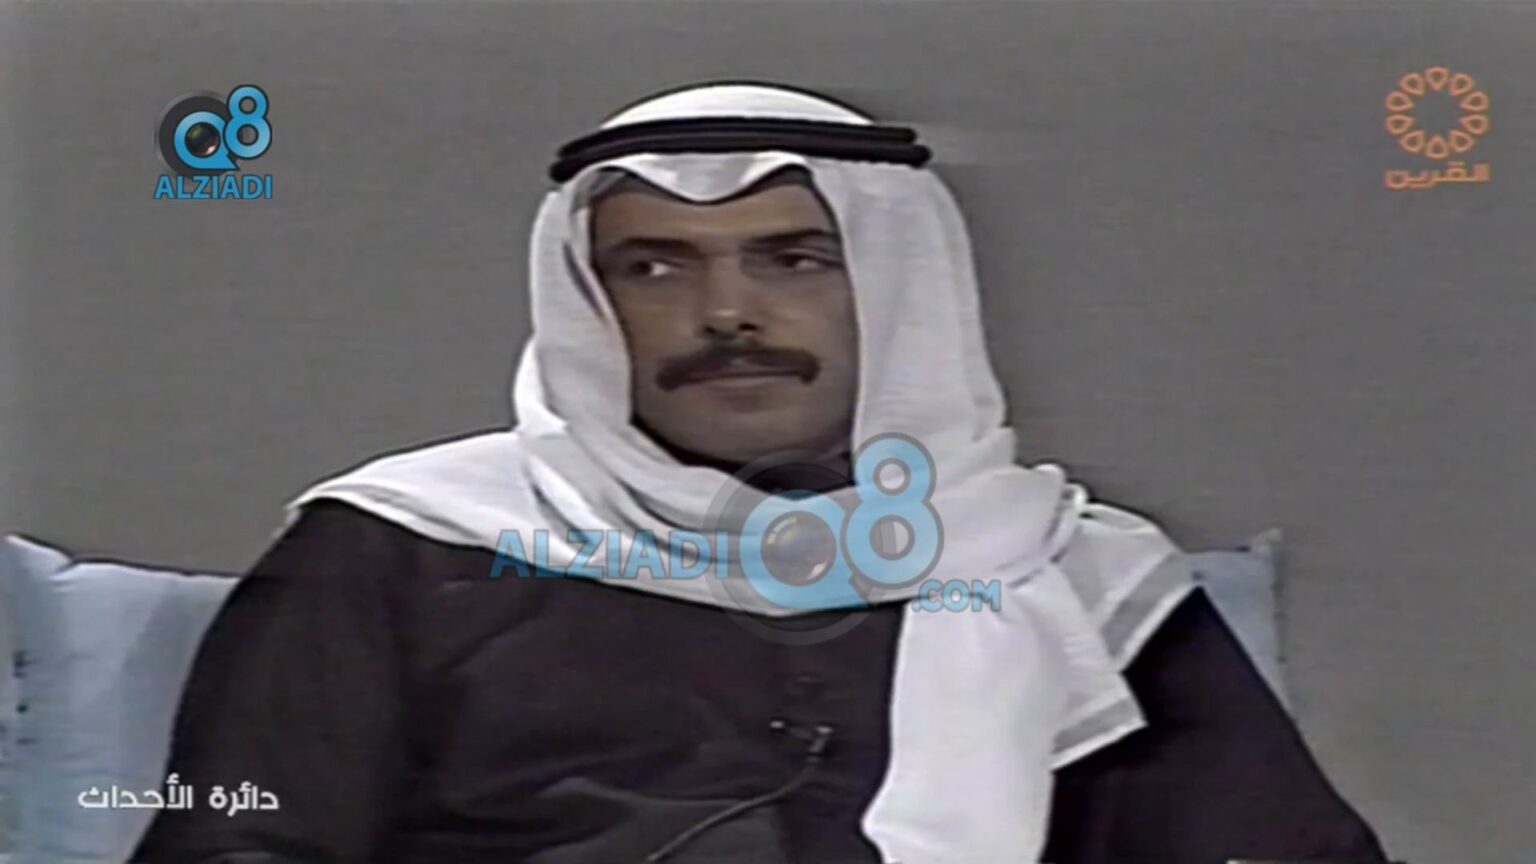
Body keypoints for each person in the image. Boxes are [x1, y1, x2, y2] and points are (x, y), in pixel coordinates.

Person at [133, 81, 1390, 864]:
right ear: (591, 308)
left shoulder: (1075, 576)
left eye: (794, 260)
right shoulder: (403, 545)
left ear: (893, 294)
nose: (727, 313)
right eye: (655, 267)